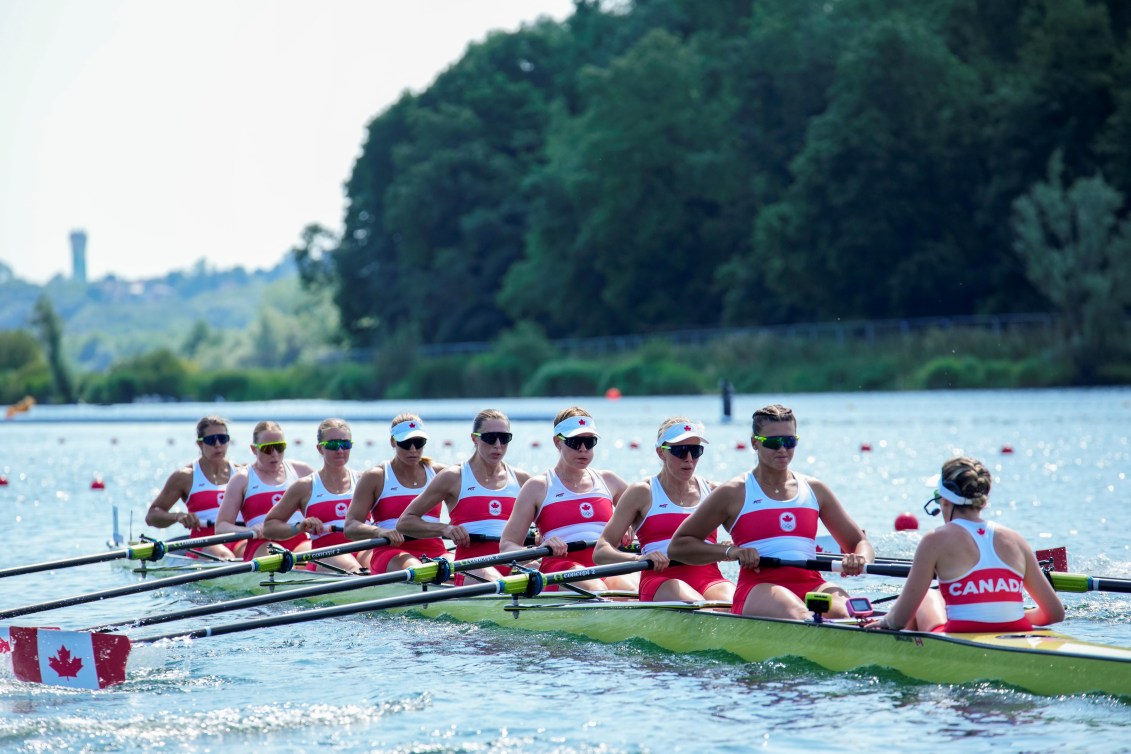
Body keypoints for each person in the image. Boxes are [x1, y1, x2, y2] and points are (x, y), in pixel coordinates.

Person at [669, 403, 874, 620]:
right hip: (758, 588)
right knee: (797, 612)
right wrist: (731, 552)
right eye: (774, 443)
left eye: (789, 441)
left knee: (847, 613)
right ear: (755, 443)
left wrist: (859, 559)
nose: (783, 449)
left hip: (812, 583)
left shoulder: (815, 490)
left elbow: (860, 543)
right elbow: (679, 546)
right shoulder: (734, 492)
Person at [866, 456, 1065, 633]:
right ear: (983, 502)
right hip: (1018, 630)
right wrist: (1010, 618)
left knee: (927, 596)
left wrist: (885, 621)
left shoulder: (934, 540)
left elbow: (899, 619)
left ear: (944, 500)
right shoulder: (1016, 539)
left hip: (958, 634)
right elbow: (1055, 613)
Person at [593, 417, 734, 603]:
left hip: (709, 578)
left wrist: (730, 548)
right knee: (700, 607)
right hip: (661, 579)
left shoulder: (714, 491)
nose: (689, 459)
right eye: (681, 451)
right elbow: (600, 552)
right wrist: (639, 558)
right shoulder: (642, 492)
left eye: (695, 451)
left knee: (733, 602)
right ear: (661, 453)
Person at [500, 407, 634, 592]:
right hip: (560, 569)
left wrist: (632, 526)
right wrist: (541, 547)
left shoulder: (610, 481)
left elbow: (649, 516)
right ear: (557, 442)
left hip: (604, 564)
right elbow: (507, 547)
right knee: (598, 589)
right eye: (575, 441)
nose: (583, 449)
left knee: (632, 590)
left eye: (589, 442)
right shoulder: (538, 487)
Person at [398, 409, 531, 584]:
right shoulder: (454, 477)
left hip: (514, 562)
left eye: (504, 438)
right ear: (474, 438)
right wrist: (445, 529)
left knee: (539, 570)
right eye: (490, 438)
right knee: (495, 580)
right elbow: (405, 522)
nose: (498, 444)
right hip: (471, 566)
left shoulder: (522, 479)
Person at [344, 413, 443, 573]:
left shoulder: (440, 473)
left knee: (463, 570)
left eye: (418, 442)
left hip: (435, 550)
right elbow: (350, 527)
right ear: (393, 442)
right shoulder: (376, 477)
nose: (413, 449)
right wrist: (380, 531)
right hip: (390, 551)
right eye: (405, 443)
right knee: (422, 572)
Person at [263, 418, 364, 573]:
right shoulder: (305, 486)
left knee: (379, 565)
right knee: (354, 569)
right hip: (325, 555)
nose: (340, 450)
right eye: (332, 445)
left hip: (364, 548)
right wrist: (300, 527)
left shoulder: (364, 480)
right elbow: (269, 527)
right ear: (319, 449)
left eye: (345, 444)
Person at [216, 421, 316, 561]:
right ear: (254, 449)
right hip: (262, 543)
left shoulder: (303, 471)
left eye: (279, 447)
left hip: (300, 541)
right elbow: (221, 527)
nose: (275, 454)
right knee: (282, 559)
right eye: (267, 449)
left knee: (317, 556)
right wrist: (249, 531)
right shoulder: (242, 479)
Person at [145, 415, 242, 559]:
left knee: (252, 553)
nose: (217, 444)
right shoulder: (185, 476)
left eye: (222, 439)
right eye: (211, 440)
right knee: (224, 556)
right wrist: (178, 516)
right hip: (204, 542)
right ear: (199, 444)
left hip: (239, 538)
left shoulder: (242, 474)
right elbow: (152, 516)